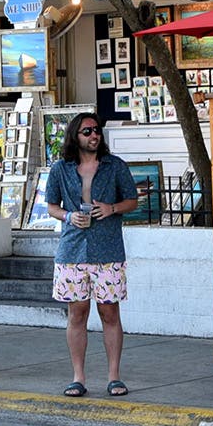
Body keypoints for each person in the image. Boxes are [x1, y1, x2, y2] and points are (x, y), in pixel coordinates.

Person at [40, 111, 138, 399]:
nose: (94, 135)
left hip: (107, 248)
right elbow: (51, 207)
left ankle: (114, 376)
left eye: (97, 130)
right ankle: (78, 377)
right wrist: (69, 216)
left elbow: (132, 200)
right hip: (72, 249)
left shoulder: (115, 166)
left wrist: (111, 208)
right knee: (77, 312)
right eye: (87, 131)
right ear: (75, 136)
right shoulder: (61, 169)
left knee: (109, 312)